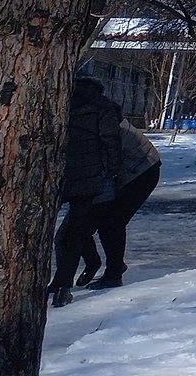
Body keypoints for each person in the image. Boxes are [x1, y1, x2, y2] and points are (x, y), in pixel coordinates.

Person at [50, 77, 122, 307]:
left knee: (62, 230)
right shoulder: (104, 109)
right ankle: (63, 285)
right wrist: (113, 170)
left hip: (61, 174)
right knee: (77, 231)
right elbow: (109, 141)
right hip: (90, 180)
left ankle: (63, 278)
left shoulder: (63, 104)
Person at [78, 118, 163, 287]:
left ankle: (113, 274)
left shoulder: (93, 123)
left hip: (141, 169)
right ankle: (111, 267)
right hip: (135, 165)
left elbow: (105, 166)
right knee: (106, 222)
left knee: (111, 223)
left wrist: (96, 206)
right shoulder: (91, 115)